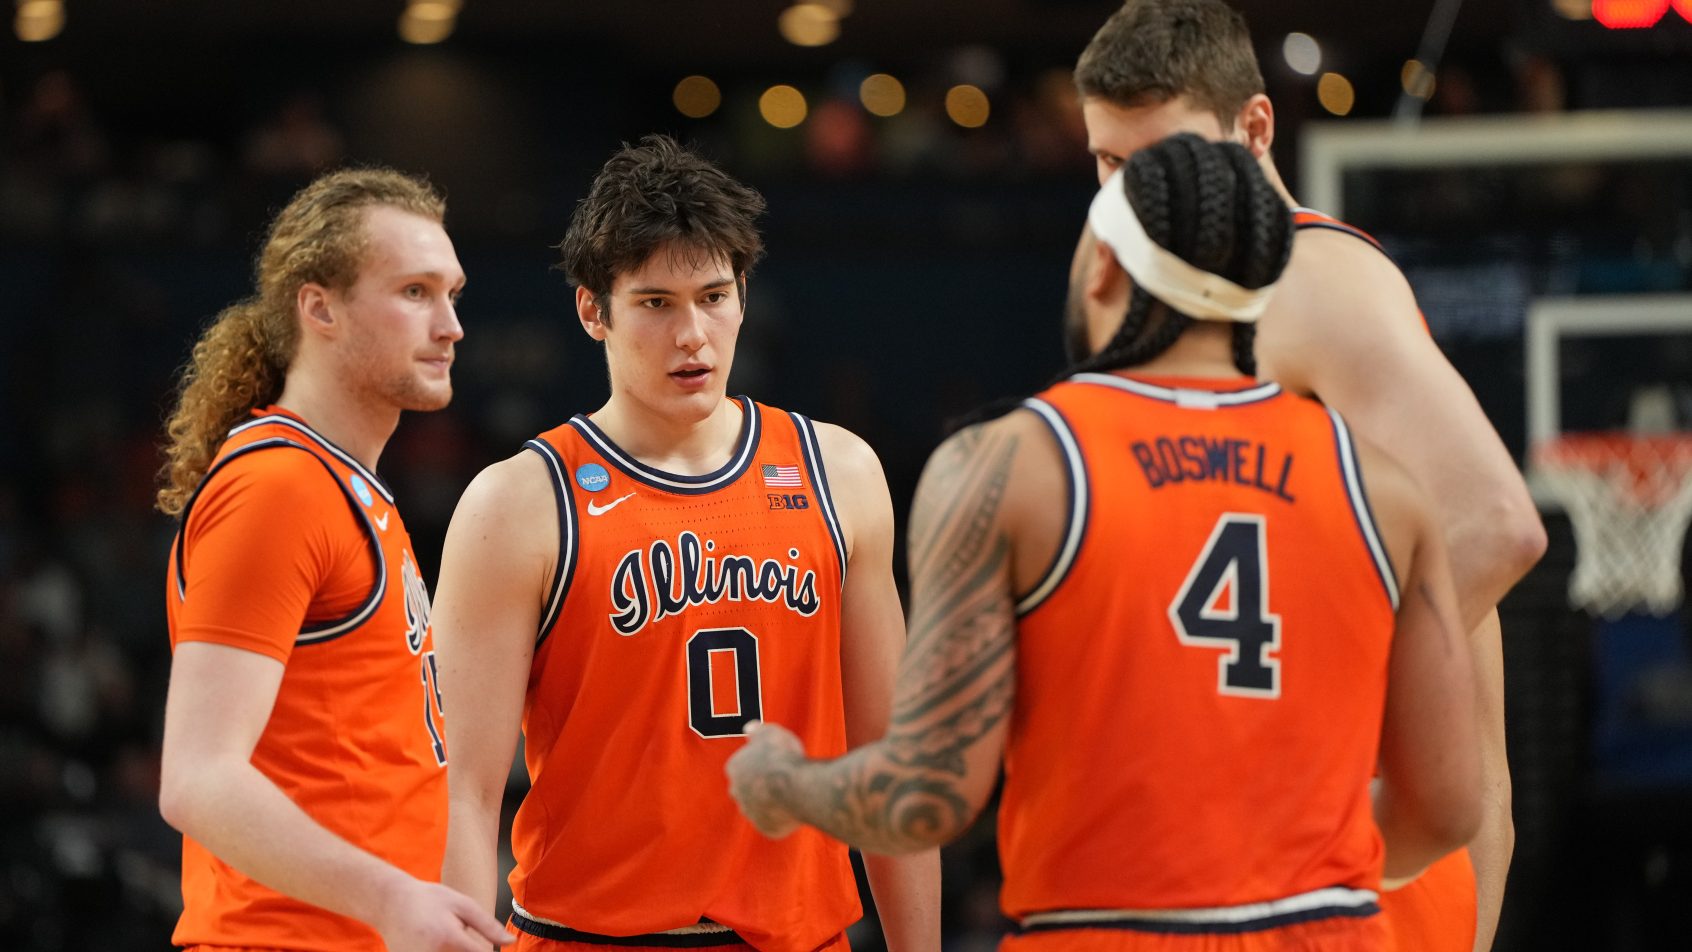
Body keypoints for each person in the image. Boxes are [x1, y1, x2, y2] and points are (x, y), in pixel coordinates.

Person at [727, 133, 1483, 951]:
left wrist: (788, 785)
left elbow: (928, 796)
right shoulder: (1385, 489)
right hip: (1320, 928)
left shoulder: (1012, 466)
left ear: (1105, 271)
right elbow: (1443, 809)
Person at [1069, 3, 1547, 949]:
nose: (1127, 198)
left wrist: (1283, 738)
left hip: (1342, 868)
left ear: (1253, 129)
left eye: (1162, 162)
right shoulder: (1191, 296)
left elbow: (1496, 526)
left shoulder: (1314, 278)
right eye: (1109, 164)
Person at [432, 135, 939, 952]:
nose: (693, 334)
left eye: (713, 296)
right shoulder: (519, 504)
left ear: (744, 294)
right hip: (589, 937)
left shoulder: (839, 471)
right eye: (656, 303)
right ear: (594, 310)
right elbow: (462, 793)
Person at [156, 168, 512, 952]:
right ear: (319, 307)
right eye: (415, 292)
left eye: (452, 293)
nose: (451, 325)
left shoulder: (345, 485)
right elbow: (197, 778)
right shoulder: (278, 488)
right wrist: (391, 900)